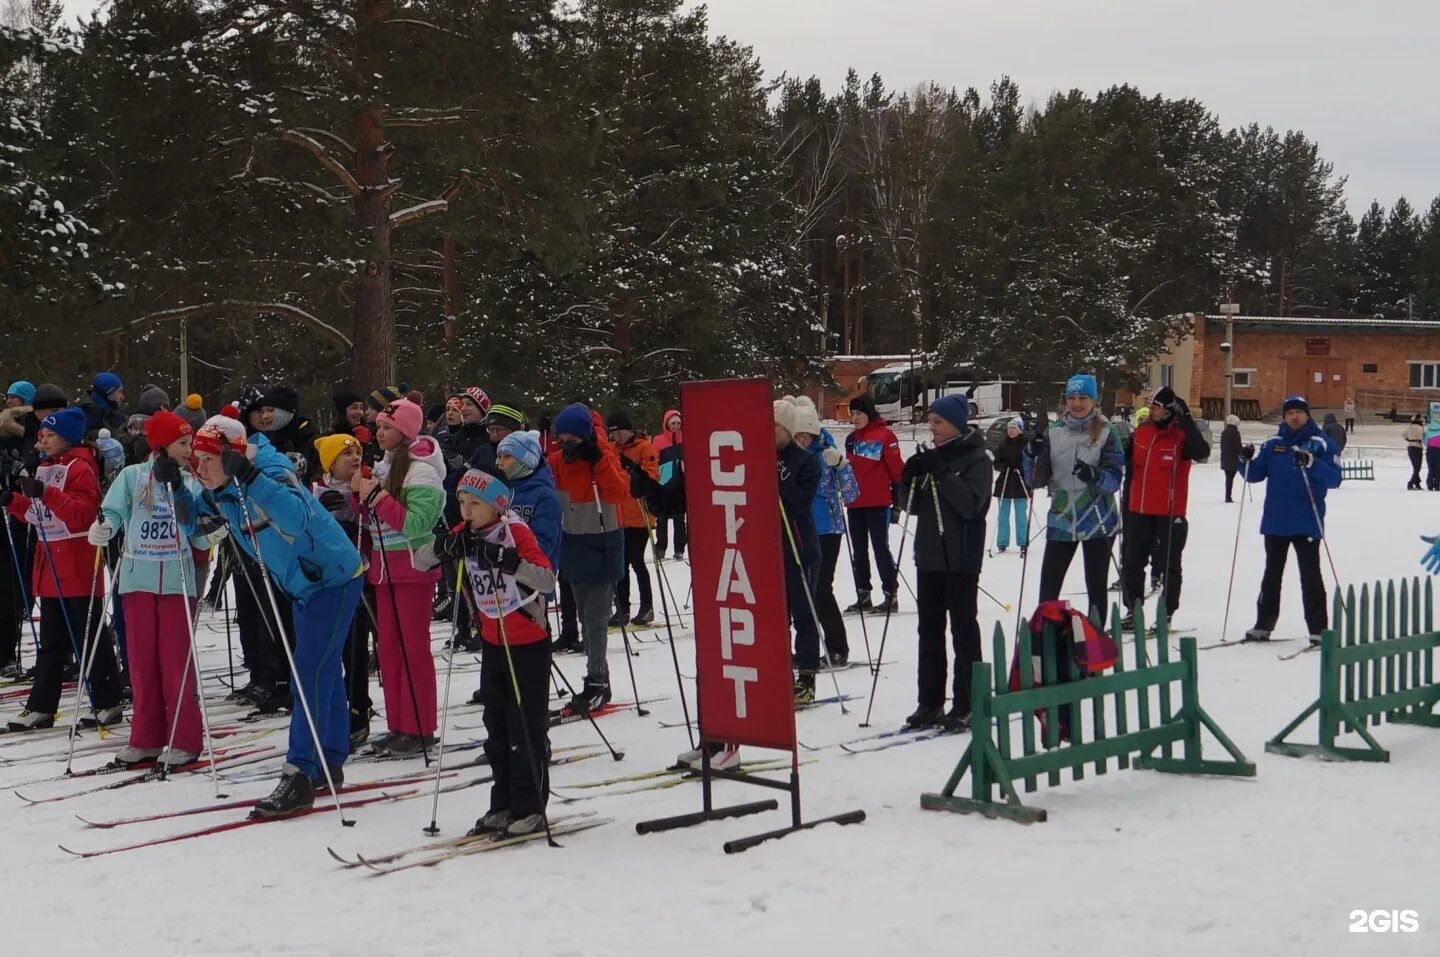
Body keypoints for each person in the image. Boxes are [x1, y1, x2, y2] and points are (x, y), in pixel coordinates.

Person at [178, 413, 364, 816]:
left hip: (332, 577)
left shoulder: (272, 473)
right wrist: (175, 485)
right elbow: (194, 524)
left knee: (308, 674)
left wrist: (251, 477)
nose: (199, 468)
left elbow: (298, 518)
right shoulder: (221, 489)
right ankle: (329, 758)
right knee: (322, 671)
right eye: (196, 460)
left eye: (206, 460)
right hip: (302, 584)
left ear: (231, 457)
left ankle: (299, 772)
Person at [91, 411, 225, 768]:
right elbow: (113, 511)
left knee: (175, 661)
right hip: (138, 579)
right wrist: (103, 526)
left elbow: (195, 525)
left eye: (191, 442)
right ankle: (147, 737)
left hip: (179, 582)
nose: (190, 448)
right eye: (183, 442)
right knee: (141, 661)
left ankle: (183, 738)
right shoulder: (132, 476)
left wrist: (213, 530)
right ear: (161, 445)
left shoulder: (192, 481)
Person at [437, 468, 556, 838]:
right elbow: (423, 558)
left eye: (475, 504)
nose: (467, 510)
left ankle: (531, 805)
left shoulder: (515, 532)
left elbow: (546, 579)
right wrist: (445, 547)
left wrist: (507, 561)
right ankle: (501, 803)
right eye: (462, 502)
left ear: (497, 506)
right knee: (496, 726)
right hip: (493, 641)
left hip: (527, 643)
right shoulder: (466, 534)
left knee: (525, 726)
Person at [2, 406, 126, 730]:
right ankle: (42, 705)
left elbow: (81, 514)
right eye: (42, 434)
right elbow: (37, 513)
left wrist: (46, 493)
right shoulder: (45, 467)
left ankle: (108, 700)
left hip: (76, 563)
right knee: (51, 642)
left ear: (67, 437)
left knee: (88, 640)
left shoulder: (81, 467)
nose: (42, 439)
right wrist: (13, 501)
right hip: (50, 565)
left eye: (50, 434)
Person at [351, 399, 444, 756]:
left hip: (413, 568)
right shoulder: (386, 465)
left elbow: (415, 523)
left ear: (405, 431)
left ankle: (420, 727)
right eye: (379, 427)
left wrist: (375, 495)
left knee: (412, 650)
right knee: (388, 650)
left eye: (387, 427)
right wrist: (361, 495)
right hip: (385, 569)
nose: (380, 433)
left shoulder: (422, 470)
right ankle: (398, 723)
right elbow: (376, 516)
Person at [900, 394, 991, 731]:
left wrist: (942, 474)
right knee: (929, 631)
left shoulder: (977, 459)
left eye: (938, 422)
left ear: (956, 423)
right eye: (932, 422)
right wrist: (908, 479)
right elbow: (910, 506)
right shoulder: (935, 457)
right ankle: (930, 700)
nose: (932, 428)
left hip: (961, 558)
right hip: (930, 556)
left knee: (963, 630)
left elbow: (970, 505)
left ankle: (968, 701)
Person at [1239, 395, 1341, 644]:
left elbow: (1335, 479)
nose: (1294, 416)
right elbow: (1254, 475)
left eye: (1298, 412)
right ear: (1284, 417)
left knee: (1310, 576)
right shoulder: (1273, 443)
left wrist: (1311, 462)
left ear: (1307, 415)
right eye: (1289, 413)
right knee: (1271, 575)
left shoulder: (1321, 443)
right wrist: (1244, 460)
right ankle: (1264, 624)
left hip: (1307, 520)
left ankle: (1319, 629)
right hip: (1276, 521)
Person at [548, 403, 626, 713]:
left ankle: (596, 680)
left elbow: (619, 493)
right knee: (584, 615)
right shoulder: (556, 461)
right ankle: (600, 677)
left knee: (595, 618)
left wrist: (600, 462)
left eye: (572, 440)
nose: (566, 446)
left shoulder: (602, 459)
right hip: (574, 545)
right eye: (561, 439)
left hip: (603, 543)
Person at [1026, 374, 1123, 624]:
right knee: (1049, 587)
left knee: (1096, 586)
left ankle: (1095, 643)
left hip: (1098, 520)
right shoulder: (1053, 433)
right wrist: (1030, 454)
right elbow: (1035, 479)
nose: (1077, 404)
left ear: (1093, 400)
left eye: (1083, 398)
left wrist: (1093, 475)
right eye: (1071, 398)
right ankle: (1046, 640)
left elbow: (1114, 479)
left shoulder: (1107, 432)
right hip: (1062, 518)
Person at [1120, 387, 1210, 631]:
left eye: (1156, 407)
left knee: (1170, 563)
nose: (1151, 411)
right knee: (1132, 562)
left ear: (1170, 410)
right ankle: (1132, 610)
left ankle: (1166, 613)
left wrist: (1188, 419)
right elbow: (1126, 458)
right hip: (1139, 508)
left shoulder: (1181, 434)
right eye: (1150, 406)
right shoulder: (1143, 430)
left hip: (1170, 512)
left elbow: (1202, 453)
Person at [310, 432, 374, 748]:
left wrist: (362, 505)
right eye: (346, 454)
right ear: (330, 464)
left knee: (357, 650)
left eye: (357, 453)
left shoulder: (367, 485)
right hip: (329, 583)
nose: (354, 458)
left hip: (362, 579)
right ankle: (335, 712)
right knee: (334, 651)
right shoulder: (317, 492)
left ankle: (359, 708)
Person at [793, 396, 859, 666]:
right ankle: (806, 647)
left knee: (820, 589)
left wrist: (842, 465)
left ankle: (837, 647)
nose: (802, 439)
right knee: (802, 590)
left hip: (828, 529)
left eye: (807, 434)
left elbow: (852, 493)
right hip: (802, 528)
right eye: (798, 434)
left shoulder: (826, 454)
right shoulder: (792, 457)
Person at [773, 398, 823, 704]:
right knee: (776, 616)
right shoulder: (758, 455)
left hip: (800, 546)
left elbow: (800, 503)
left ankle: (807, 676)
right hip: (771, 546)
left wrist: (780, 474)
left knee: (803, 613)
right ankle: (780, 671)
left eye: (774, 426)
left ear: (787, 430)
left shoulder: (806, 461)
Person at [843, 394, 903, 615]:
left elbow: (896, 472)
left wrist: (897, 504)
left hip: (878, 503)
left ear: (869, 413)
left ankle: (890, 594)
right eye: (853, 414)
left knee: (880, 548)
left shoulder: (885, 436)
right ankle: (863, 594)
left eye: (859, 413)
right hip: (854, 503)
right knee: (858, 551)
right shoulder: (851, 439)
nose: (855, 418)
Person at [607, 410, 659, 627]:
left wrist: (632, 468)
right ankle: (622, 607)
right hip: (619, 515)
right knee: (620, 564)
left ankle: (647, 606)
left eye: (620, 432)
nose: (617, 437)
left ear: (629, 429)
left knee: (636, 560)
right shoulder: (612, 450)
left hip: (639, 514)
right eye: (614, 433)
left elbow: (652, 478)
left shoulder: (645, 447)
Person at [651, 409, 686, 561]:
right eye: (673, 423)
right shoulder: (658, 440)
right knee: (662, 519)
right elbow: (653, 459)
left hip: (681, 483)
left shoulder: (686, 438)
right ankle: (660, 548)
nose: (676, 426)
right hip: (663, 482)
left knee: (679, 519)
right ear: (667, 424)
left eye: (678, 423)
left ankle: (679, 549)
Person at [992, 417, 1030, 554]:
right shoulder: (1003, 444)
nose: (1011, 431)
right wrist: (1003, 466)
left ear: (1019, 430)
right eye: (1009, 428)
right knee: (1003, 515)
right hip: (1005, 482)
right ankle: (1002, 543)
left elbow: (1029, 461)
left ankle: (1023, 542)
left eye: (1013, 428)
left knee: (1021, 516)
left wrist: (1021, 467)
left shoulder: (1026, 444)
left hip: (1021, 483)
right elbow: (996, 462)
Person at [78, 371, 126, 439]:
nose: (122, 397)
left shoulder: (119, 418)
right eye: (119, 392)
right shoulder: (80, 418)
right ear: (107, 393)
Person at [1220, 414, 1242, 503]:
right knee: (1230, 478)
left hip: (1225, 458)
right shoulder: (1235, 433)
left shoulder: (1224, 432)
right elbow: (1238, 447)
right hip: (1233, 459)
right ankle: (1228, 497)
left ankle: (1227, 496)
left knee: (1228, 478)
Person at [1404, 414, 1424, 491]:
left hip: (1409, 446)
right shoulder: (1419, 428)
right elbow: (1420, 437)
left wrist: (1409, 439)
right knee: (1417, 467)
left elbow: (1403, 434)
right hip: (1417, 447)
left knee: (1415, 466)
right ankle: (1411, 482)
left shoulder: (1409, 427)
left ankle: (1417, 483)